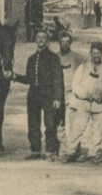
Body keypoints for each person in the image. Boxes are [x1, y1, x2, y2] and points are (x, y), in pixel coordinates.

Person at [13, 28, 65, 159]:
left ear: (47, 40)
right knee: (33, 123)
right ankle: (35, 150)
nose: (40, 39)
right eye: (38, 37)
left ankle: (50, 150)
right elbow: (29, 79)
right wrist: (14, 76)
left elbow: (58, 79)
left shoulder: (53, 58)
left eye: (43, 37)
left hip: (49, 94)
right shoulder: (31, 59)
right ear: (36, 40)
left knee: (50, 123)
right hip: (34, 94)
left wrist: (57, 98)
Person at [63, 41, 102, 162]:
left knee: (98, 132)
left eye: (98, 53)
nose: (96, 55)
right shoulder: (83, 67)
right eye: (93, 53)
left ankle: (93, 154)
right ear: (90, 53)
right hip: (84, 104)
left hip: (100, 106)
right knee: (77, 129)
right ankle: (70, 152)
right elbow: (75, 85)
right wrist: (85, 94)